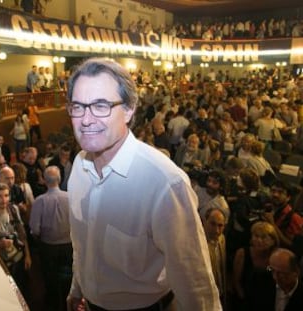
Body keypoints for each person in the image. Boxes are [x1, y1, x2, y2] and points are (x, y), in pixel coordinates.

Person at [66, 58, 221, 310]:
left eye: (101, 105)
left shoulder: (165, 183)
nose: (85, 119)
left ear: (129, 110)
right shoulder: (78, 168)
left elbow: (194, 282)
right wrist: (78, 287)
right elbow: (83, 243)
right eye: (78, 106)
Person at [0, 183, 32, 301]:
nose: (4, 200)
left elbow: (22, 234)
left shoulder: (13, 210)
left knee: (23, 291)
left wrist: (28, 255)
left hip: (19, 259)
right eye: (0, 196)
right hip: (2, 265)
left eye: (6, 196)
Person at [30, 166, 72, 311]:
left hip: (48, 248)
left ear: (44, 181)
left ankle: (54, 306)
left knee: (51, 281)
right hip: (68, 246)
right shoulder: (70, 197)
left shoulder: (40, 201)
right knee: (67, 281)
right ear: (59, 179)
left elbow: (34, 229)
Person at [233, 221, 279, 310]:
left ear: (273, 241)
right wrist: (244, 302)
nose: (259, 240)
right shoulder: (242, 253)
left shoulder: (277, 256)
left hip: (271, 301)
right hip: (246, 301)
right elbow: (236, 282)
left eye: (263, 237)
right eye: (256, 236)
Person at [203, 208, 227, 309]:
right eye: (212, 224)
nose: (217, 230)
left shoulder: (222, 238)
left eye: (220, 225)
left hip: (221, 292)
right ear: (204, 222)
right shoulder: (198, 244)